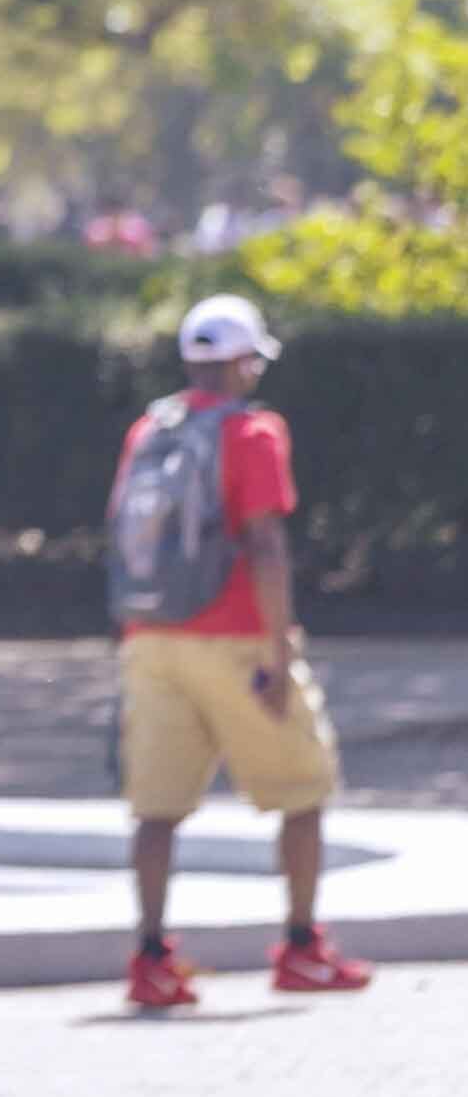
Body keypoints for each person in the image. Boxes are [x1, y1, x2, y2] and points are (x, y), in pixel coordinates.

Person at [112, 294, 375, 1005]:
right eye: (252, 358)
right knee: (305, 788)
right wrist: (279, 649)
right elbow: (262, 540)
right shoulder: (254, 431)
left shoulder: (149, 428)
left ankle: (150, 957)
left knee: (156, 808)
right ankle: (300, 947)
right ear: (238, 362)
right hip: (234, 639)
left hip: (152, 640)